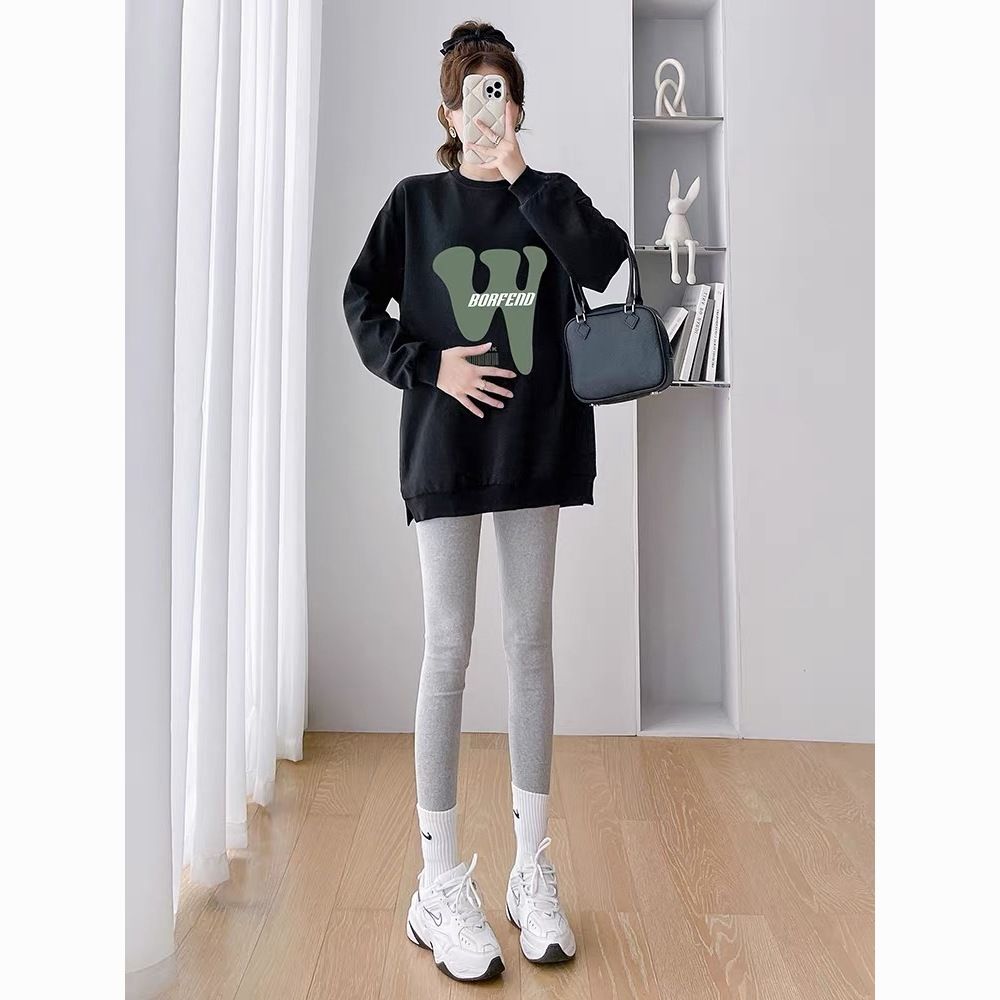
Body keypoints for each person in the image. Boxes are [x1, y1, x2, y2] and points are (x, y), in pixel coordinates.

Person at [343, 20, 629, 984]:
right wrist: (431, 367)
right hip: (446, 453)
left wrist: (522, 178)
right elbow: (360, 301)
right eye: (473, 96)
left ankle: (530, 870)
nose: (487, 111)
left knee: (529, 644)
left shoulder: (547, 197)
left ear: (518, 107)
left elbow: (605, 262)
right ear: (446, 112)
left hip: (535, 449)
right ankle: (436, 884)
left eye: (500, 94)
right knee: (448, 647)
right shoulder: (414, 204)